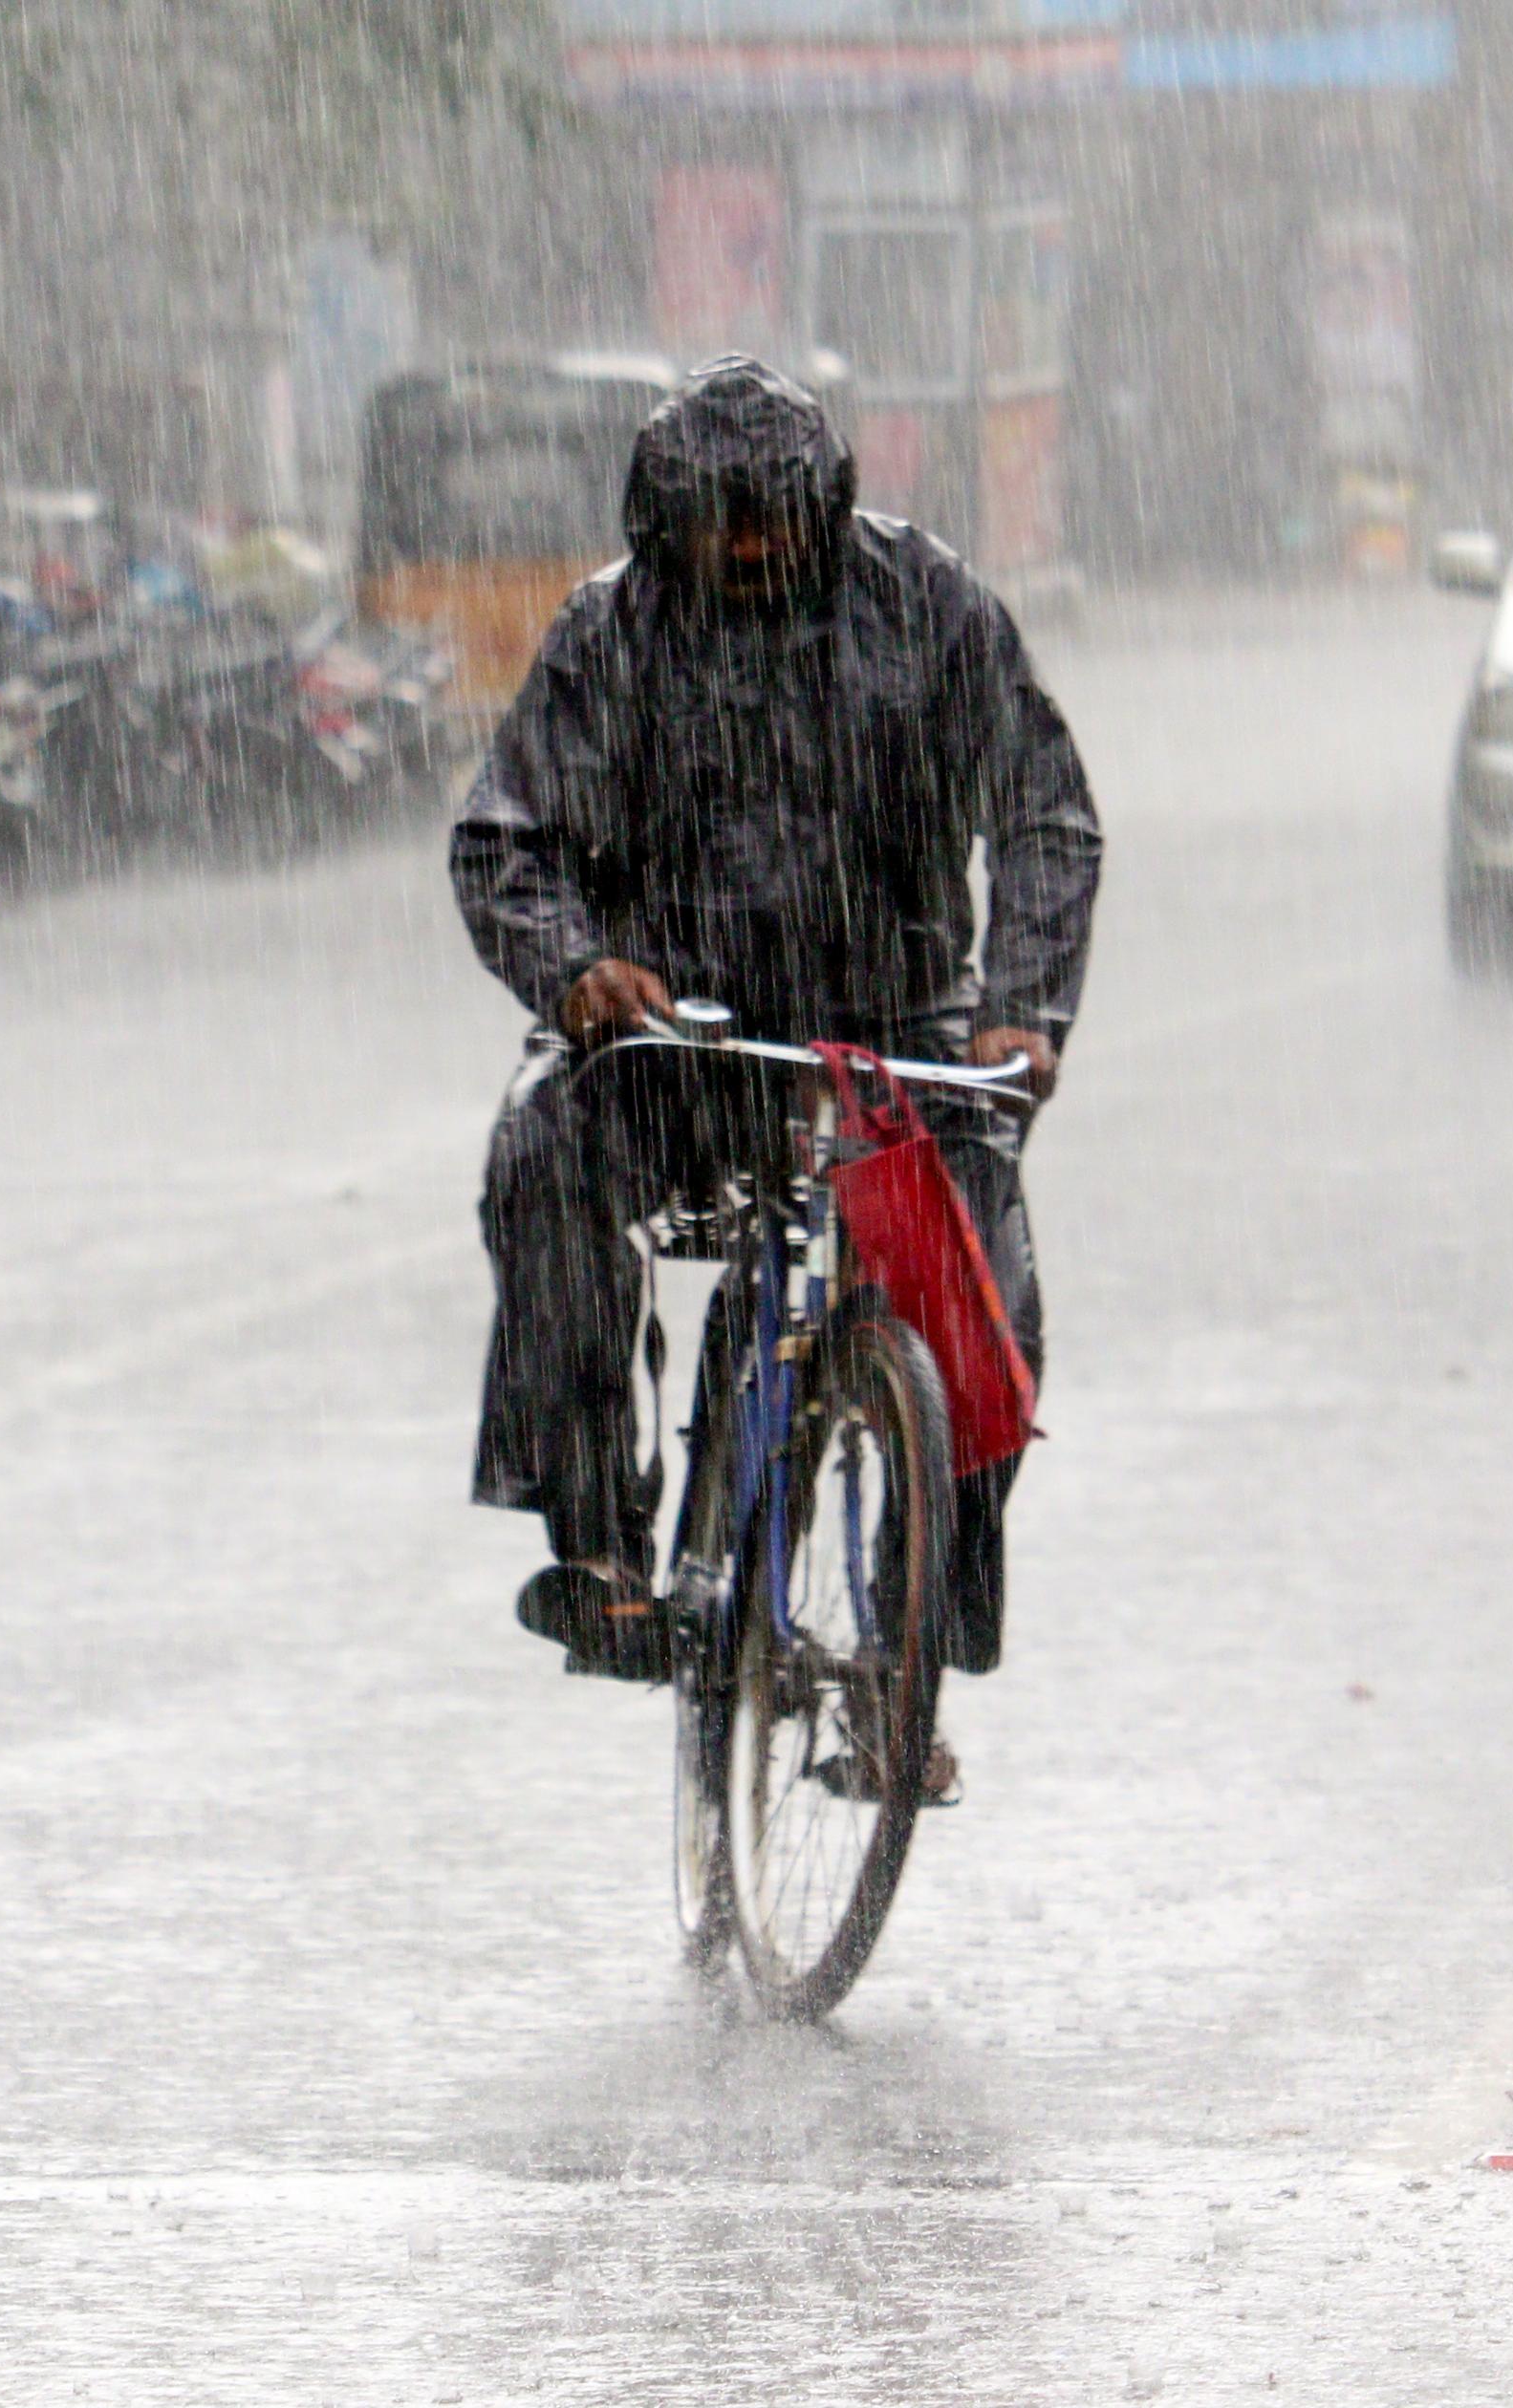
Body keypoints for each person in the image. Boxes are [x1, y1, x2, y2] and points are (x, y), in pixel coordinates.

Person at [452, 355, 1102, 1708]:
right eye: (721, 521)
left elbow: (1044, 811)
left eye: (776, 518)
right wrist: (577, 970)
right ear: (664, 522)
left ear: (826, 507)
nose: (751, 548)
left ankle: (935, 1608)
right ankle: (604, 1558)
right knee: (544, 1161)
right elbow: (506, 843)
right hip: (680, 1041)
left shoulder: (927, 609)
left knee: (987, 1291)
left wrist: (1021, 1013)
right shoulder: (607, 638)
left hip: (892, 1047)